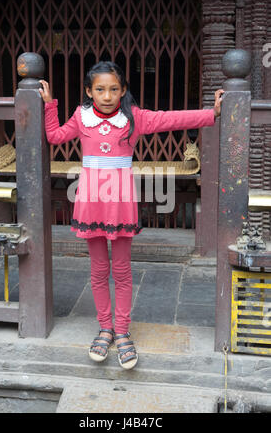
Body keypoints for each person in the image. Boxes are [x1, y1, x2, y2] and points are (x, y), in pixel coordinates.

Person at [39, 61, 223, 370]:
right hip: (91, 203)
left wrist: (211, 113)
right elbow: (55, 136)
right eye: (100, 89)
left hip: (120, 203)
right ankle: (105, 328)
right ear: (89, 91)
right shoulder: (81, 118)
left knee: (122, 270)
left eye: (114, 89)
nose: (107, 95)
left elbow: (170, 120)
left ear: (123, 91)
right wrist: (49, 104)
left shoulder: (133, 119)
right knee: (98, 270)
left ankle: (122, 331)